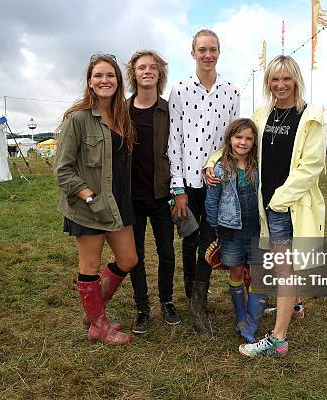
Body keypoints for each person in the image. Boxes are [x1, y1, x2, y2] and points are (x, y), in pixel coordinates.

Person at [207, 55, 326, 357]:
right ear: (268, 82)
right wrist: (211, 164)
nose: (281, 84)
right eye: (275, 79)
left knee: (285, 270)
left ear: (296, 80)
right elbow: (236, 145)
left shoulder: (311, 117)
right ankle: (294, 305)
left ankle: (278, 339)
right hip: (267, 205)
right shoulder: (263, 116)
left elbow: (311, 167)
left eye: (286, 78)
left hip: (288, 207)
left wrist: (279, 200)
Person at [54, 54, 138, 345]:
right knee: (89, 267)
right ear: (90, 82)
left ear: (118, 81)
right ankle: (99, 326)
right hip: (87, 206)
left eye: (110, 76)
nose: (105, 81)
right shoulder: (77, 119)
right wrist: (89, 198)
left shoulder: (123, 117)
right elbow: (62, 170)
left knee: (129, 259)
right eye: (99, 76)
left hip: (118, 202)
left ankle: (94, 312)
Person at [168, 29, 240, 336]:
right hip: (187, 181)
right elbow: (175, 140)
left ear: (219, 52)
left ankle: (199, 303)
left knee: (210, 240)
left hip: (217, 180)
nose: (207, 55)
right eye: (202, 50)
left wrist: (220, 170)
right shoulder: (180, 90)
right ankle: (190, 296)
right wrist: (177, 187)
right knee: (190, 237)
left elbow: (232, 140)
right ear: (193, 53)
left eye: (212, 49)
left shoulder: (231, 91)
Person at [125, 50, 180, 334]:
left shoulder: (169, 110)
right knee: (135, 256)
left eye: (152, 67)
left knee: (167, 252)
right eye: (141, 67)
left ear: (160, 73)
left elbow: (178, 150)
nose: (147, 71)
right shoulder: (121, 111)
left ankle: (167, 301)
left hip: (161, 194)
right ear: (133, 73)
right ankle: (142, 308)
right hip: (130, 197)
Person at [205, 118, 269, 343]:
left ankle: (250, 324)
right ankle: (240, 315)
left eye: (249, 138)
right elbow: (212, 201)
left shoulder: (260, 166)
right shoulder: (220, 168)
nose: (243, 142)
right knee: (236, 272)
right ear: (230, 139)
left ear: (254, 142)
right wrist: (217, 228)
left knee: (259, 274)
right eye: (238, 137)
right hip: (231, 231)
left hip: (258, 230)